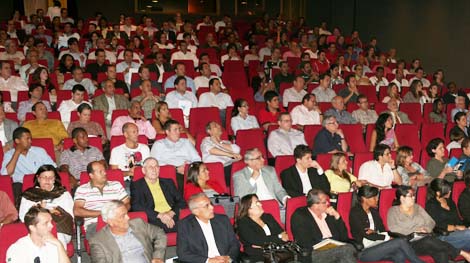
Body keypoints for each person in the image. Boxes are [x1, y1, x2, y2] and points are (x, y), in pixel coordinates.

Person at [387, 185, 470, 263]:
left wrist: (426, 229)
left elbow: (431, 222)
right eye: (411, 195)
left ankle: (458, 252)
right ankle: (460, 252)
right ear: (402, 198)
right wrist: (415, 231)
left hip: (427, 238)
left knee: (441, 252)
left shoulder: (417, 207)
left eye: (414, 195)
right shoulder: (393, 211)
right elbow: (394, 229)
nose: (414, 197)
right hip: (409, 242)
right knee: (429, 241)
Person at [350, 186, 424, 263]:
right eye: (374, 197)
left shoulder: (374, 211)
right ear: (364, 198)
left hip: (379, 246)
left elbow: (382, 229)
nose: (377, 199)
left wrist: (376, 233)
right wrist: (387, 237)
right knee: (400, 242)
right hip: (364, 251)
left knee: (400, 254)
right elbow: (367, 235)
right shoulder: (355, 213)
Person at [291, 188, 356, 263]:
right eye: (325, 202)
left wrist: (337, 216)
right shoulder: (300, 216)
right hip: (314, 253)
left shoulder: (329, 214)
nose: (328, 204)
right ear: (315, 205)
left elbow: (344, 237)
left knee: (348, 248)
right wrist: (325, 244)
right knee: (347, 250)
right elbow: (304, 242)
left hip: (336, 248)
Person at [89, 200, 167, 263]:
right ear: (111, 222)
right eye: (123, 216)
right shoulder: (98, 241)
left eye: (127, 214)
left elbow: (159, 233)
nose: (128, 218)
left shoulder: (138, 224)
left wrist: (158, 256)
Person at [19, 165, 74, 247]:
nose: (47, 180)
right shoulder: (29, 194)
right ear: (38, 178)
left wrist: (48, 210)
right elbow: (23, 217)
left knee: (57, 237)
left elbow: (70, 216)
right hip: (36, 230)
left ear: (54, 179)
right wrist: (40, 210)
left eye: (51, 177)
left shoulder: (63, 194)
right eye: (44, 177)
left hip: (60, 229)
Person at [177, 193, 239, 262]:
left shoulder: (223, 220)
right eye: (207, 206)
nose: (212, 207)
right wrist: (208, 260)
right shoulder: (185, 226)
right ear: (196, 211)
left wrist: (228, 258)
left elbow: (234, 243)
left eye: (211, 204)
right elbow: (182, 253)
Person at [74, 161, 130, 238]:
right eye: (100, 171)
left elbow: (127, 203)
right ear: (91, 175)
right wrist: (104, 213)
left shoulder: (116, 185)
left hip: (118, 220)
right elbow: (77, 211)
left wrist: (119, 213)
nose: (105, 173)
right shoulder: (82, 189)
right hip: (95, 224)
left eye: (104, 170)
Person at [1, 127, 56, 203]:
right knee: (16, 186)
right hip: (22, 185)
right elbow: (5, 174)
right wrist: (17, 152)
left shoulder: (39, 151)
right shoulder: (9, 154)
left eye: (30, 138)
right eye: (27, 139)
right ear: (17, 141)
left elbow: (53, 167)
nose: (30, 141)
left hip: (41, 182)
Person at [131, 157, 185, 233]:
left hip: (173, 215)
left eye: (156, 166)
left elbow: (181, 201)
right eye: (150, 167)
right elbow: (136, 206)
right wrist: (160, 215)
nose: (154, 169)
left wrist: (170, 213)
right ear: (143, 170)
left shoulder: (168, 182)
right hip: (154, 218)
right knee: (186, 227)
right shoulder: (137, 185)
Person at [6, 206, 71, 263]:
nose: (51, 226)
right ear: (33, 228)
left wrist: (59, 245)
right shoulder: (18, 249)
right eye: (46, 223)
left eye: (51, 221)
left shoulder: (54, 244)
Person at [236, 194, 289, 262]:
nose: (261, 204)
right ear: (249, 209)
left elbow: (284, 235)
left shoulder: (268, 217)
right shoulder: (243, 223)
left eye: (259, 202)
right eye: (257, 203)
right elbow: (256, 240)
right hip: (258, 256)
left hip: (277, 253)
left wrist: (264, 244)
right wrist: (279, 237)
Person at [151, 120, 201, 189]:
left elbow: (197, 158)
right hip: (169, 172)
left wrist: (187, 167)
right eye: (175, 130)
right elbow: (154, 162)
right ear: (167, 132)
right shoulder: (159, 144)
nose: (178, 132)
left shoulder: (186, 142)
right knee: (178, 180)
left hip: (188, 170)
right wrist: (175, 168)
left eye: (179, 129)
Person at [426, 179, 470, 250]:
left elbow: (458, 220)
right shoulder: (431, 205)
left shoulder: (450, 202)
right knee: (468, 234)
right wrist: (456, 227)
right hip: (443, 235)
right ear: (438, 193)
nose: (450, 191)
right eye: (447, 190)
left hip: (457, 235)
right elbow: (437, 225)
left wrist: (465, 226)